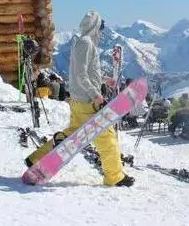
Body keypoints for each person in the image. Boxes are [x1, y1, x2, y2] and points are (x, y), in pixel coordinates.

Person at [25, 11, 134, 187]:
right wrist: (96, 95)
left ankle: (36, 158)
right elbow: (81, 74)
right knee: (107, 138)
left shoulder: (83, 42)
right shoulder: (86, 43)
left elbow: (87, 71)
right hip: (87, 101)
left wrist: (105, 80)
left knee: (71, 136)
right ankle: (114, 177)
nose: (102, 31)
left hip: (80, 100)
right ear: (95, 26)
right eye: (101, 27)